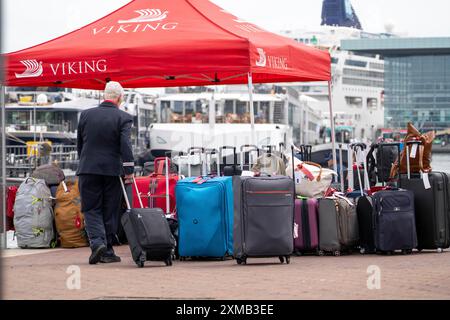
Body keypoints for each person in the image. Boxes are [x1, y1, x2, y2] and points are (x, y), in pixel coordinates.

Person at [76, 81, 134, 265]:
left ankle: (97, 243)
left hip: (88, 168)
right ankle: (107, 250)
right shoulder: (123, 117)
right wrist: (129, 170)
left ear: (104, 96)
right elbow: (125, 145)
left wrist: (85, 162)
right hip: (112, 171)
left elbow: (80, 144)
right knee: (110, 210)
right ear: (120, 98)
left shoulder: (85, 115)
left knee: (91, 208)